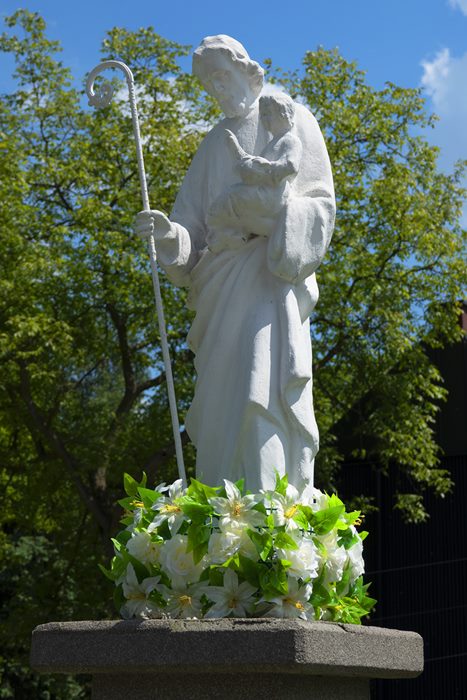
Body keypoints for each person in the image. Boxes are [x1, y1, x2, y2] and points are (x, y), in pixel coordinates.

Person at [135, 35, 335, 493]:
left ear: (248, 71)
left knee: (261, 387)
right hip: (220, 291)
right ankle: (222, 515)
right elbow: (191, 231)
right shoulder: (210, 147)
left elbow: (320, 205)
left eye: (222, 76)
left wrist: (270, 219)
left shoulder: (292, 119)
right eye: (209, 84)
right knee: (220, 404)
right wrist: (167, 234)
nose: (217, 89)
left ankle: (268, 511)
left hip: (268, 280)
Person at [206, 93, 302, 253]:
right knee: (230, 197)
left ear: (283, 113)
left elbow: (291, 166)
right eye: (262, 115)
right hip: (264, 191)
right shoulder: (273, 143)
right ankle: (230, 234)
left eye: (267, 114)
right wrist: (238, 151)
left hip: (274, 195)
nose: (263, 119)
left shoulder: (290, 140)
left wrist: (265, 169)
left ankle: (225, 234)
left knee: (231, 197)